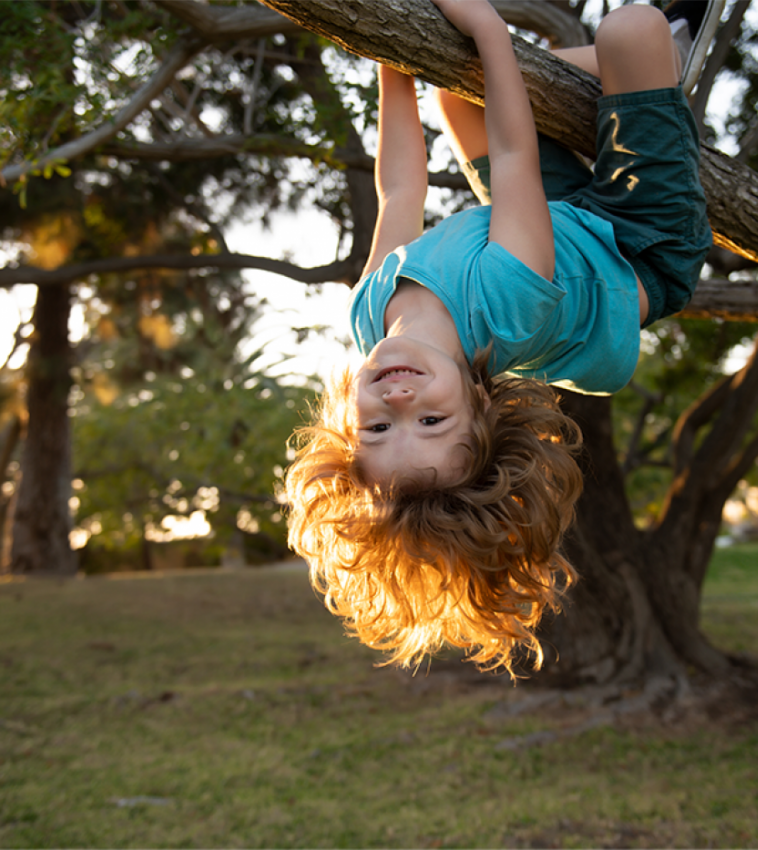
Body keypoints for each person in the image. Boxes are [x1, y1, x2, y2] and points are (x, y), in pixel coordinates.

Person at [285, 0, 714, 676]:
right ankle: (662, 62)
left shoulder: (368, 316)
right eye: (430, 420)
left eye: (376, 431)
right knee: (632, 29)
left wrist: (390, 61)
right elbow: (514, 155)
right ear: (481, 407)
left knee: (458, 100)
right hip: (640, 241)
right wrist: (487, 27)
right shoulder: (505, 308)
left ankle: (630, 81)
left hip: (559, 216)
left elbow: (399, 188)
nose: (397, 400)